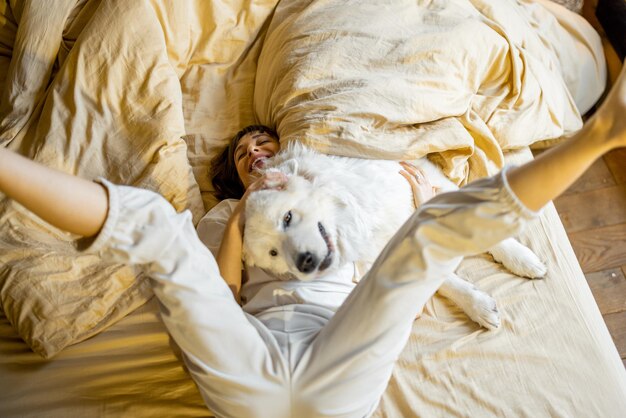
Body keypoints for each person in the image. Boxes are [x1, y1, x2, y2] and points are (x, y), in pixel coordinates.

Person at [0, 65, 624, 417]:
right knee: (158, 225)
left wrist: (408, 184)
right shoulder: (223, 218)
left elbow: (383, 224)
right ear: (234, 176)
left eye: (261, 144)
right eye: (242, 156)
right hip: (259, 359)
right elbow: (219, 292)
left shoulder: (321, 182)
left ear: (283, 150)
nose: (254, 155)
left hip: (336, 346)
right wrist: (243, 214)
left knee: (426, 234)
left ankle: (599, 133)